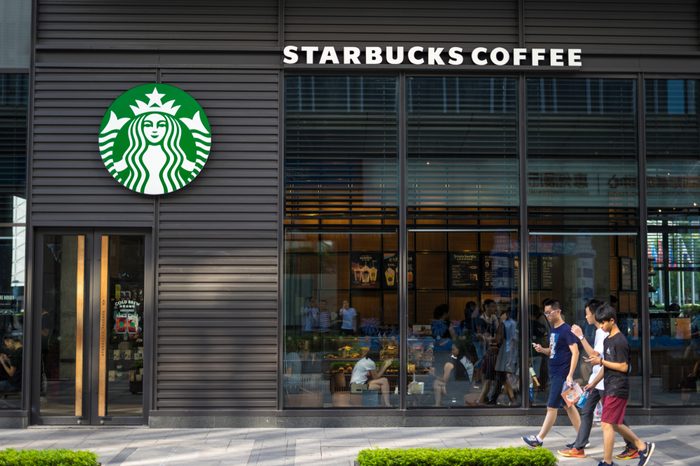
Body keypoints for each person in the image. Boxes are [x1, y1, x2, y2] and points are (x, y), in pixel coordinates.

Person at [559, 299, 637, 460]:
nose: (586, 317)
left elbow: (597, 356)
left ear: (596, 315)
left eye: (587, 314)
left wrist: (581, 337)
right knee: (588, 411)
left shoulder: (605, 334)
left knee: (612, 419)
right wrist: (592, 381)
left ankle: (634, 446)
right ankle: (579, 447)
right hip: (598, 379)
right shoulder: (600, 332)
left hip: (606, 382)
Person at [584, 303, 656, 466]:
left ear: (612, 320)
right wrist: (593, 383)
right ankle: (642, 446)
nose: (601, 327)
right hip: (609, 386)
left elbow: (623, 366)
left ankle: (607, 462)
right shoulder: (608, 340)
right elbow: (606, 365)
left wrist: (601, 360)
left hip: (618, 387)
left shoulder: (620, 341)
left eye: (603, 323)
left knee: (606, 424)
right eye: (599, 323)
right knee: (615, 424)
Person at [523, 298, 581, 447]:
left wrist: (569, 375)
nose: (547, 315)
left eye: (549, 312)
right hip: (554, 372)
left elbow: (575, 352)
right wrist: (542, 350)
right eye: (546, 313)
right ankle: (582, 438)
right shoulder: (554, 330)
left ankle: (539, 439)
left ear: (558, 311)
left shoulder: (566, 330)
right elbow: (553, 351)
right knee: (568, 406)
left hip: (561, 374)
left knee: (551, 407)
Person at [110, 105, 198, 195]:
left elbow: (192, 167)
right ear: (139, 129)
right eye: (148, 125)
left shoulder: (177, 155)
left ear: (169, 129)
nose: (154, 130)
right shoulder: (131, 155)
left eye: (161, 125)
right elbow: (117, 168)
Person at [433, 343, 473, 407]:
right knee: (440, 384)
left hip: (455, 388)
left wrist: (434, 374)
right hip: (467, 386)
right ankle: (439, 403)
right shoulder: (466, 359)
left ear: (459, 350)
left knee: (436, 383)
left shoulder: (449, 364)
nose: (452, 352)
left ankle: (437, 404)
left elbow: (445, 380)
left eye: (453, 350)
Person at [492, 308, 518, 405]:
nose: (500, 315)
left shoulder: (504, 324)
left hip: (505, 350)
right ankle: (509, 397)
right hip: (513, 350)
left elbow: (498, 339)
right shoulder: (515, 323)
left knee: (503, 375)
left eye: (501, 313)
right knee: (505, 375)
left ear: (506, 314)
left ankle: (511, 398)